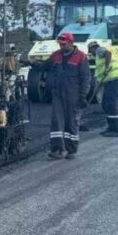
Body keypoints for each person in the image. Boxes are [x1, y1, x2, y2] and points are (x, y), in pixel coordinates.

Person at [48, 31, 90, 159]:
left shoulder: (81, 57)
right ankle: (57, 149)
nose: (61, 46)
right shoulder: (55, 55)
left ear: (71, 43)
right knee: (56, 121)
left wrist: (83, 96)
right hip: (58, 94)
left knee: (72, 122)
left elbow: (85, 78)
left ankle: (71, 150)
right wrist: (30, 63)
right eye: (60, 44)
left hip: (74, 95)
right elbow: (45, 66)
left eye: (64, 44)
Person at [87, 41, 118, 137]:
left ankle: (116, 129)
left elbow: (108, 53)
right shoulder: (98, 58)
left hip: (114, 79)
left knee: (110, 103)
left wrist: (107, 68)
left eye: (91, 50)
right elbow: (99, 77)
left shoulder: (99, 50)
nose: (91, 52)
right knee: (105, 104)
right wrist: (96, 89)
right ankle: (111, 127)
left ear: (93, 48)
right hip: (109, 81)